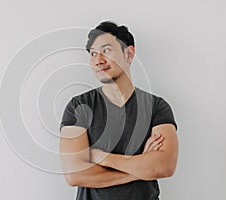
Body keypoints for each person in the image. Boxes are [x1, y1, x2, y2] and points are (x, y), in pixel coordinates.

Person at [59, 21, 178, 200]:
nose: (98, 60)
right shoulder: (79, 107)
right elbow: (75, 175)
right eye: (93, 54)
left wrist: (102, 157)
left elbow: (164, 166)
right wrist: (141, 168)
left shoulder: (157, 107)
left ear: (129, 53)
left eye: (106, 50)